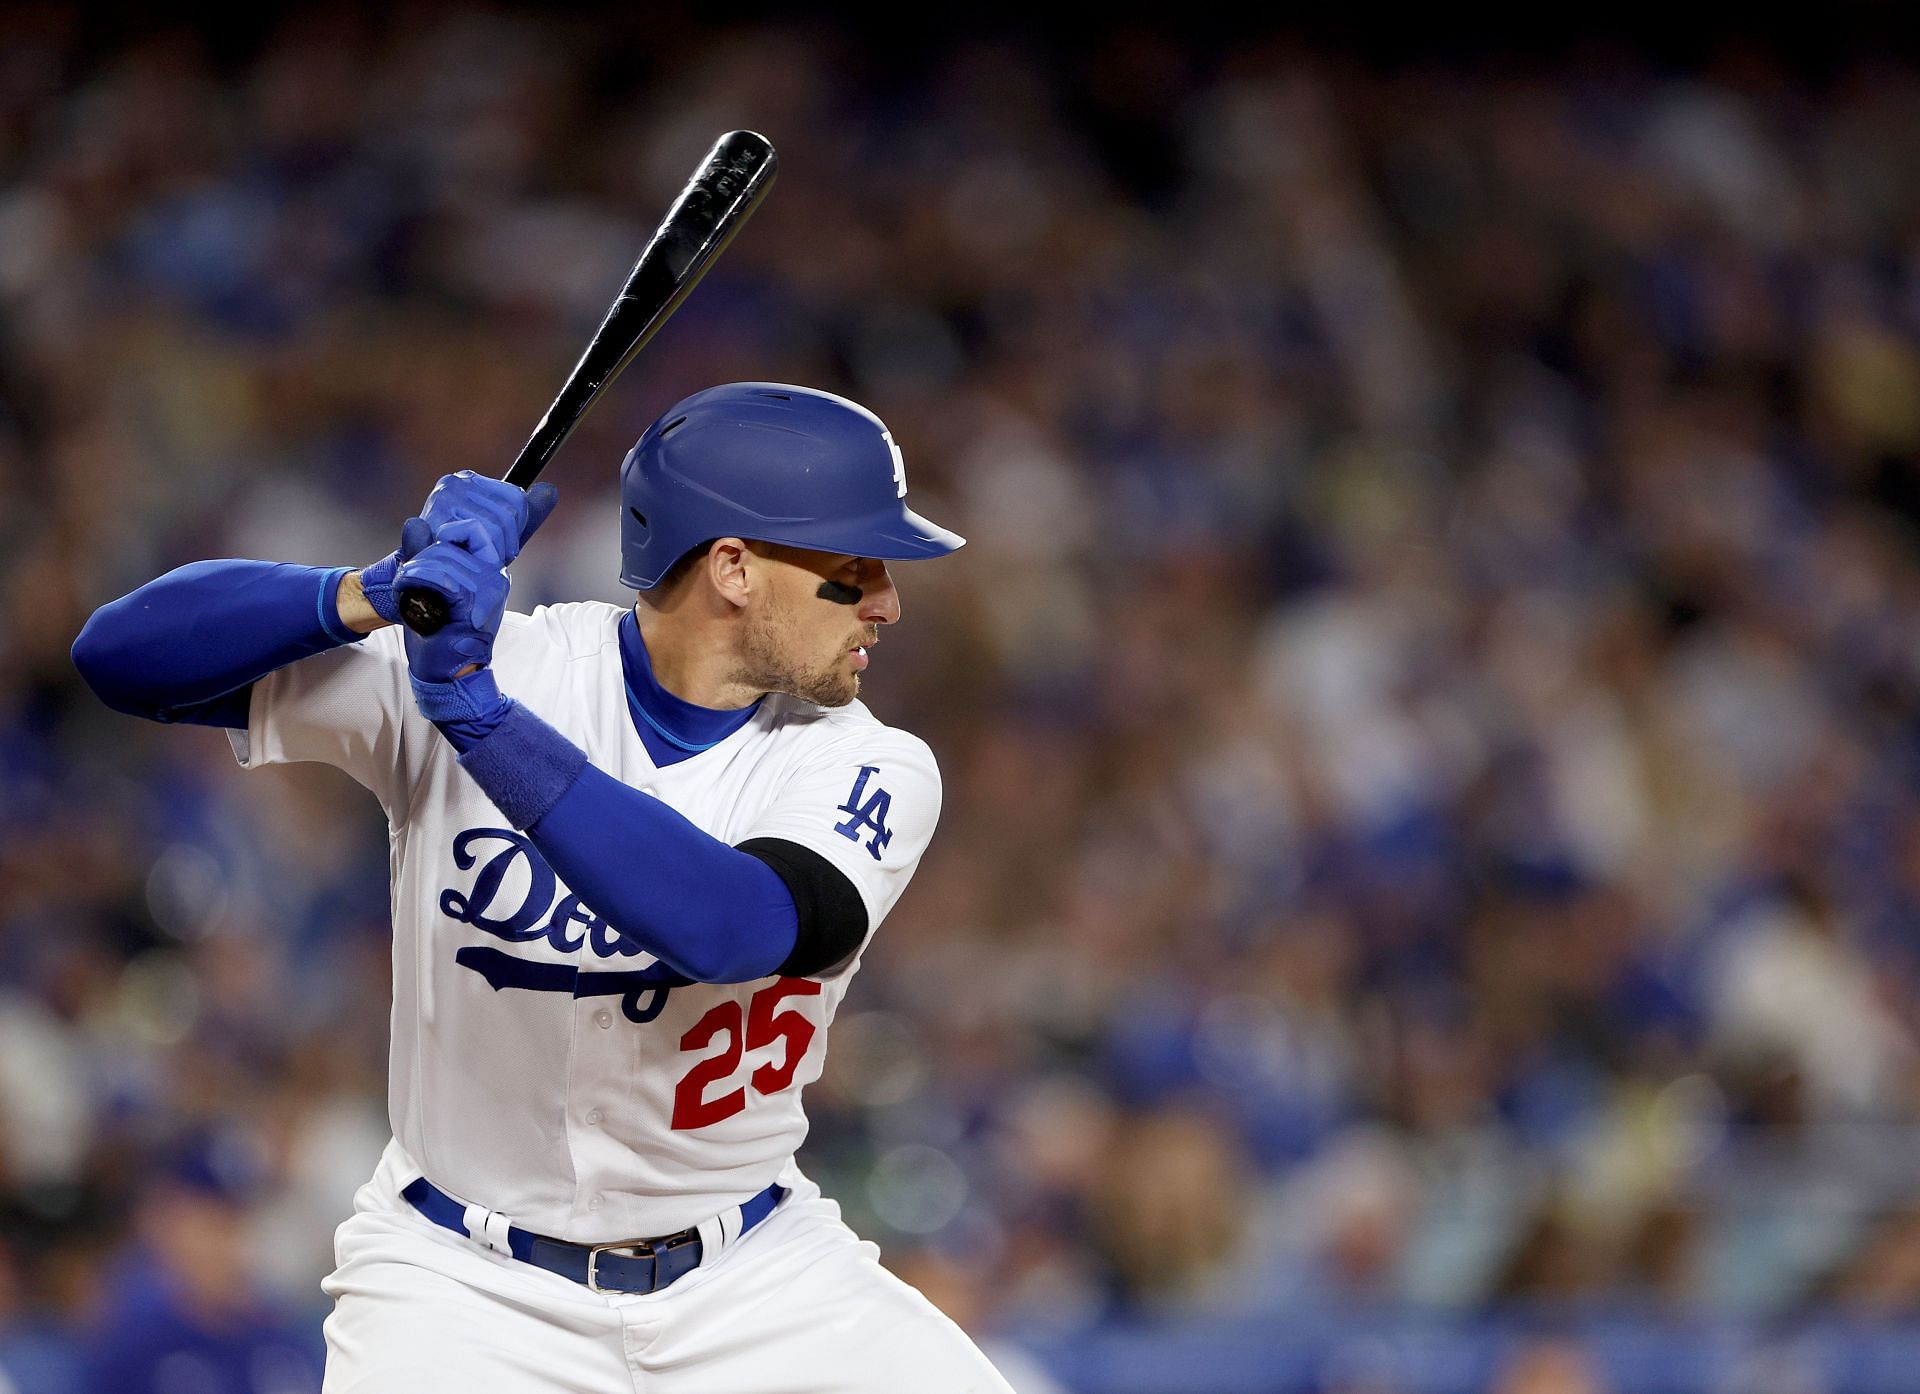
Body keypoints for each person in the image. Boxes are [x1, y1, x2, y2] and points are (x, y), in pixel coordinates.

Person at [73, 383, 1017, 1393]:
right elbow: (120, 658)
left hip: (752, 1277)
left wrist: (479, 718)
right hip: (459, 1288)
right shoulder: (504, 663)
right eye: (851, 568)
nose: (888, 599)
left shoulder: (868, 763)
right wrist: (370, 590)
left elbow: (733, 926)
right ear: (734, 567)